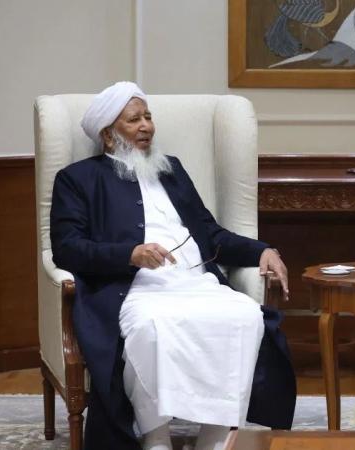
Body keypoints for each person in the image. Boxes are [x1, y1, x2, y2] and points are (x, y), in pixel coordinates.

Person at [50, 82, 295, 450]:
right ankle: (155, 434)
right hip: (134, 289)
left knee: (245, 316)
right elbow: (68, 248)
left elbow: (210, 233)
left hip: (194, 282)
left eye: (148, 117)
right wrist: (129, 254)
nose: (146, 126)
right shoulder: (78, 179)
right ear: (108, 134)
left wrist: (261, 250)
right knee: (151, 327)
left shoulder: (171, 170)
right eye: (134, 120)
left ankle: (216, 431)